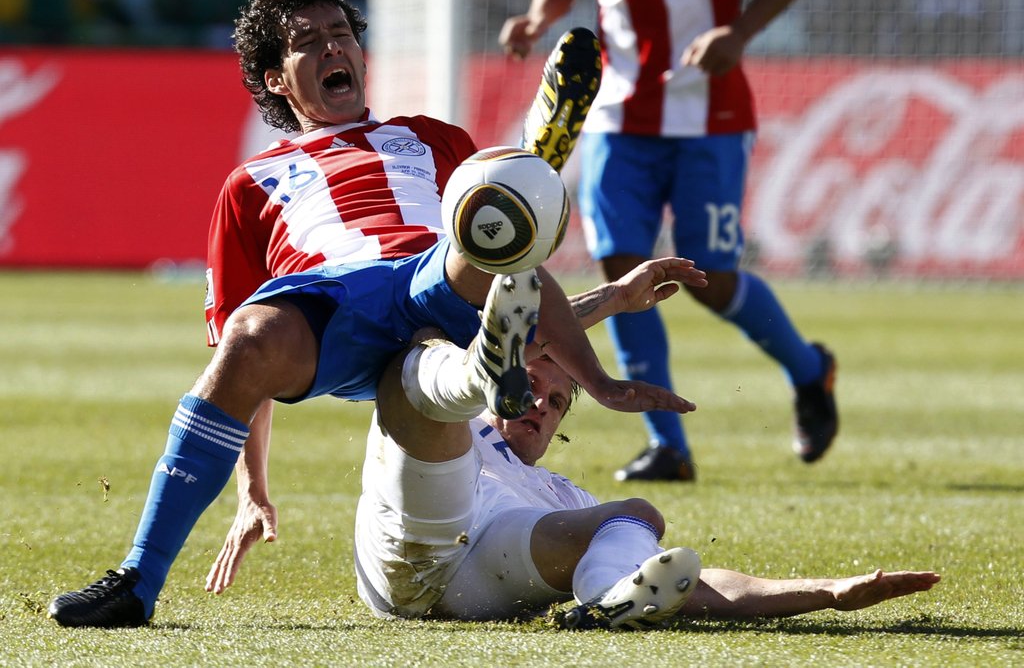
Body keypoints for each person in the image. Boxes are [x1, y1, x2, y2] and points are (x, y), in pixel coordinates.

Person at [47, 0, 695, 629]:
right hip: (338, 304)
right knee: (249, 337)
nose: (333, 46)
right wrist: (252, 489)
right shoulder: (250, 183)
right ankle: (138, 579)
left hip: (433, 277)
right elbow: (239, 378)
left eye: (342, 34)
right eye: (308, 41)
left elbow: (519, 286)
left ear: (360, 55)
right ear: (276, 78)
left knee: (490, 233)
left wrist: (600, 378)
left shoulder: (434, 138)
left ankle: (523, 197)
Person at [204, 259, 939, 629]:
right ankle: (490, 376)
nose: (543, 407)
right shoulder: (461, 411)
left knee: (635, 515)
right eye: (534, 387)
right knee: (426, 364)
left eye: (558, 404)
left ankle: (603, 603)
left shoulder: (562, 497)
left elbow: (690, 583)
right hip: (406, 542)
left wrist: (824, 593)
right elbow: (261, 374)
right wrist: (613, 298)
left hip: (476, 579)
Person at [500, 0, 838, 482]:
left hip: (709, 113)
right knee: (621, 271)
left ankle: (809, 370)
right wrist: (538, 18)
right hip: (616, 116)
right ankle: (668, 447)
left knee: (711, 279)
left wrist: (739, 32)